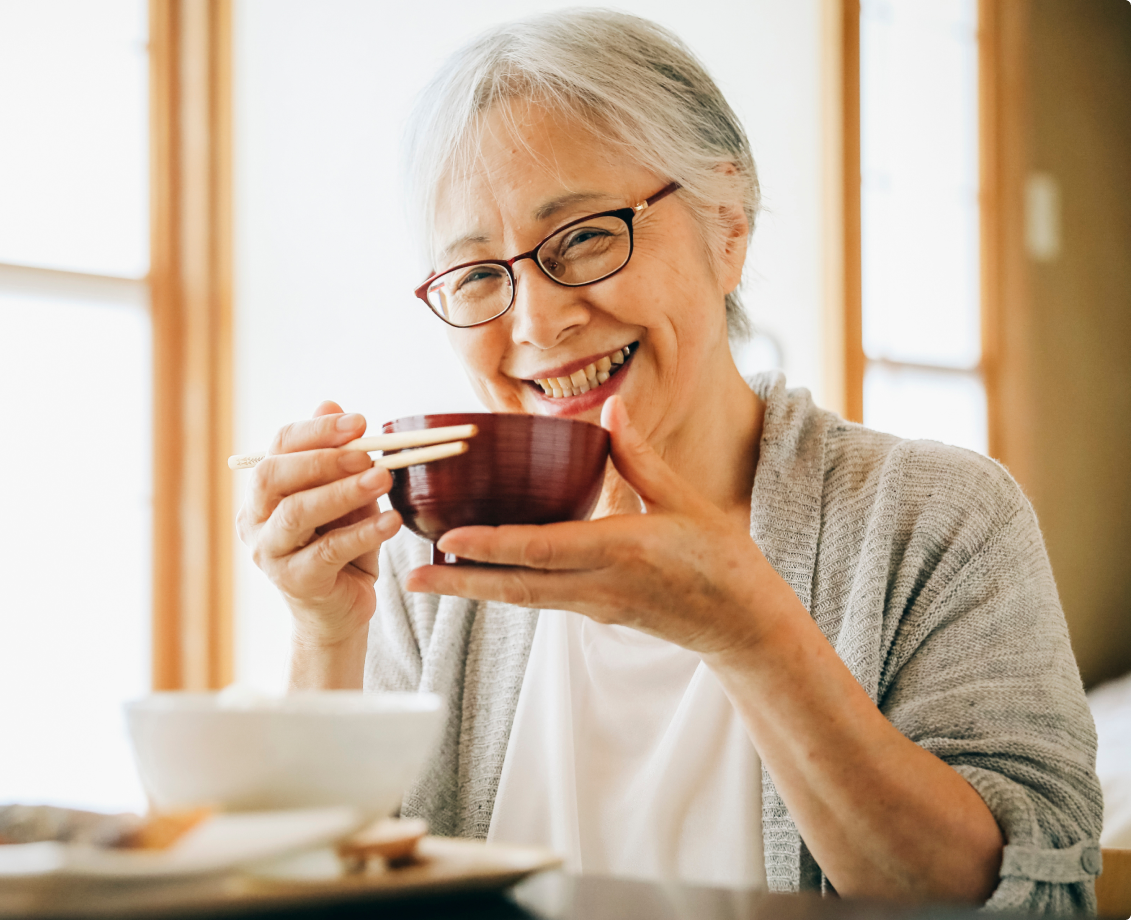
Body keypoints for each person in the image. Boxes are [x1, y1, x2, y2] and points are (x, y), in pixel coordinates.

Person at [236, 9, 1100, 911]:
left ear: (728, 223)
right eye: (482, 275)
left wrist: (752, 635)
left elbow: (1036, 901)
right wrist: (325, 633)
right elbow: (322, 892)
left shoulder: (938, 517)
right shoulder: (434, 560)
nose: (535, 324)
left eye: (583, 237)